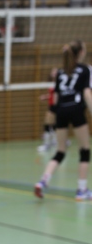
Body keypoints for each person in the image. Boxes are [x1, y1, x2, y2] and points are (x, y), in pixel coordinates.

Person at [35, 40, 92, 201]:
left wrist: (54, 116)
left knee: (60, 151)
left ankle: (43, 181)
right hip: (76, 109)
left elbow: (55, 98)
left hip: (61, 111)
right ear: (81, 53)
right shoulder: (86, 69)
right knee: (84, 150)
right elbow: (87, 93)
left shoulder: (60, 72)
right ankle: (81, 190)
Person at [37, 67, 58, 152]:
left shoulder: (58, 83)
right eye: (53, 71)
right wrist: (45, 97)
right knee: (53, 125)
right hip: (52, 105)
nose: (54, 73)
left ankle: (47, 145)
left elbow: (58, 95)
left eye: (56, 72)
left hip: (55, 106)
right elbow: (52, 95)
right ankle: (54, 141)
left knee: (48, 124)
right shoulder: (51, 83)